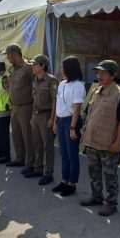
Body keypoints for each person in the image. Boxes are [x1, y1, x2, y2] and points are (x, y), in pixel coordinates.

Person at [79, 60, 120, 217]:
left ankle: (111, 203)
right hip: (92, 141)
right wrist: (84, 133)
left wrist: (118, 142)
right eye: (98, 72)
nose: (99, 75)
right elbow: (89, 115)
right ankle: (96, 197)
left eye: (103, 72)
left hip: (108, 144)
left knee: (110, 175)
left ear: (113, 75)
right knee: (93, 172)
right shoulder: (96, 91)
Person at [52, 56, 86, 196]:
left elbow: (77, 108)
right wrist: (55, 121)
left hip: (71, 121)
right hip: (60, 120)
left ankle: (72, 184)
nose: (61, 70)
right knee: (63, 154)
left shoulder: (78, 85)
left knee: (72, 155)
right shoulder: (62, 84)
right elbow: (59, 103)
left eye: (63, 67)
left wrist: (72, 128)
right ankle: (64, 180)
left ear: (70, 68)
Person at [24, 54, 58, 185]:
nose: (33, 67)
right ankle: (38, 168)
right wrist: (33, 116)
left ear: (43, 66)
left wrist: (52, 118)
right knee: (36, 144)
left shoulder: (51, 80)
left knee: (47, 145)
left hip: (46, 115)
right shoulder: (35, 80)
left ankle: (48, 173)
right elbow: (34, 99)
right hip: (36, 115)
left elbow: (55, 100)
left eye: (35, 64)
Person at [2, 43, 34, 170]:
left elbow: (36, 85)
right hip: (14, 107)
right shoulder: (12, 69)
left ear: (14, 54)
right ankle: (20, 158)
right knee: (16, 134)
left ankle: (30, 163)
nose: (7, 58)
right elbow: (9, 86)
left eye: (8, 55)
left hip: (26, 107)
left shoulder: (28, 67)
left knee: (27, 136)